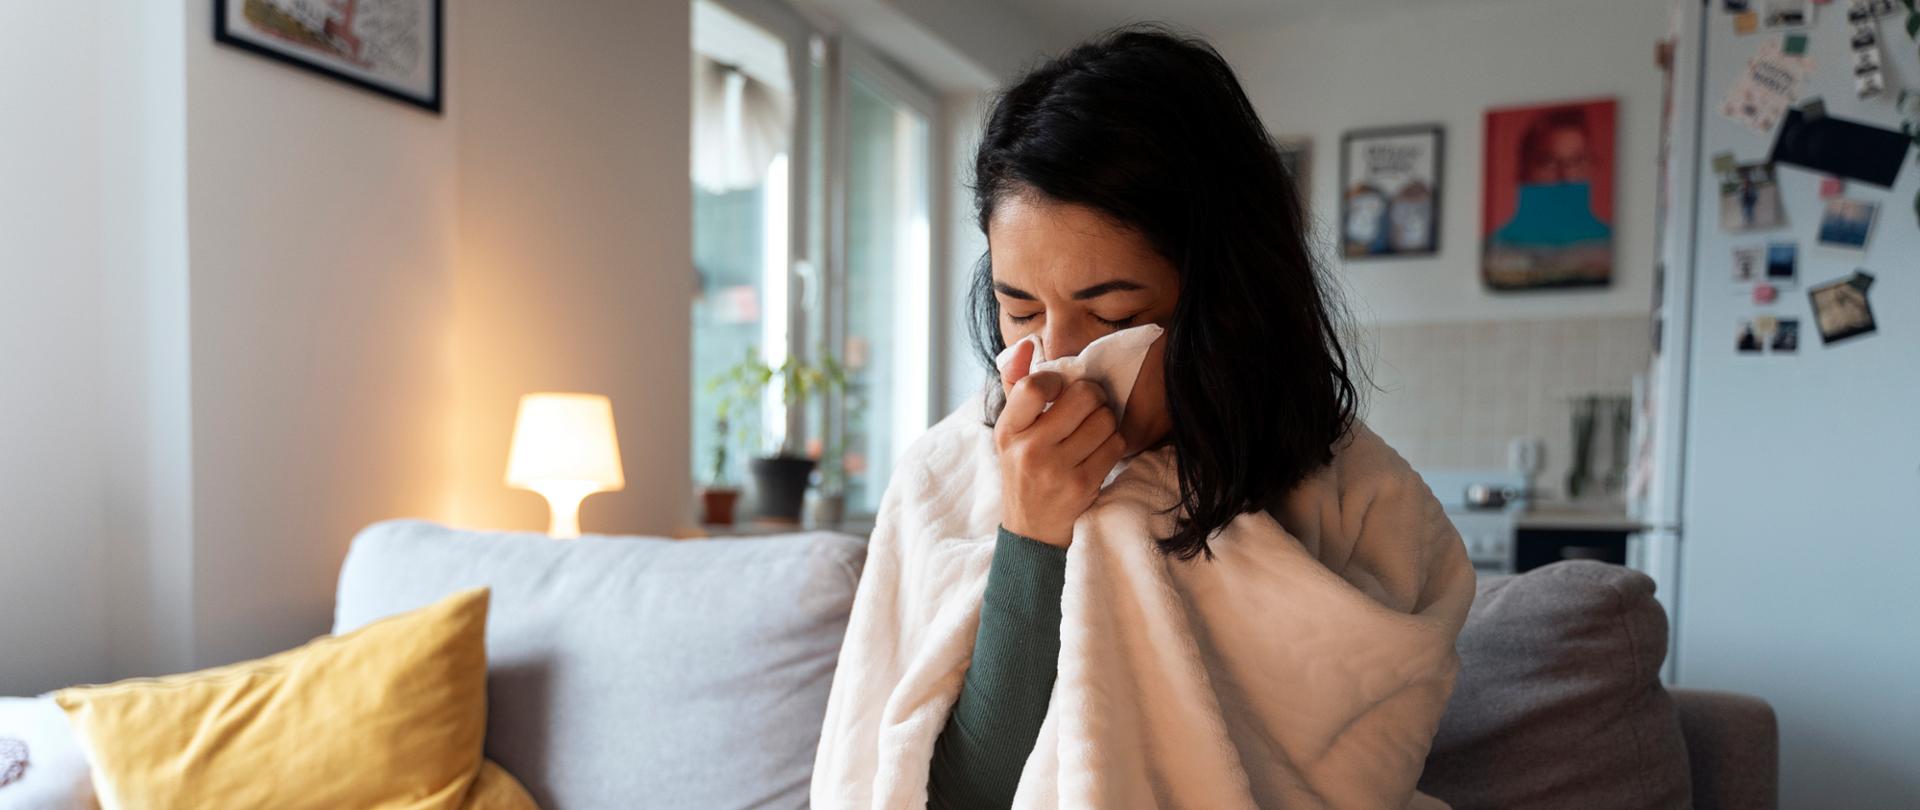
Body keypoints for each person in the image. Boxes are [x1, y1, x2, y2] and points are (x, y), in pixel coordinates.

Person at [812, 26, 1472, 809]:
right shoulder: (943, 479)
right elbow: (946, 796)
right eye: (1020, 310)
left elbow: (1357, 769)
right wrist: (1031, 537)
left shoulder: (1355, 497)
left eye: (1113, 314)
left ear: (1225, 303)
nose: (1057, 358)